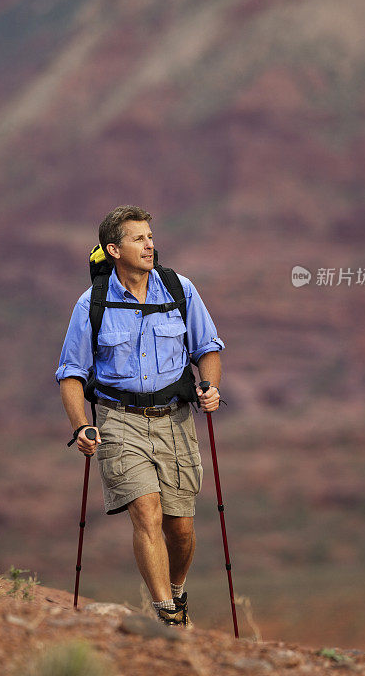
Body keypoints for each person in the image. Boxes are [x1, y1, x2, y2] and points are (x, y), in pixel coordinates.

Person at [56, 205, 224, 626]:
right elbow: (71, 374)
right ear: (113, 249)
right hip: (118, 421)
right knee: (146, 511)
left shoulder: (179, 289)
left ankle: (178, 591)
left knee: (180, 528)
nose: (150, 245)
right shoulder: (91, 304)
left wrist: (211, 386)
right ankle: (168, 614)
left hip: (176, 420)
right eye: (138, 238)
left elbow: (208, 347)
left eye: (150, 236)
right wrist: (81, 426)